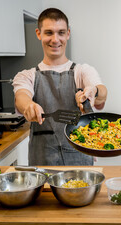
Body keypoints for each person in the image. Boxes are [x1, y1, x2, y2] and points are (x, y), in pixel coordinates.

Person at [13, 8, 107, 166]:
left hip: (80, 162)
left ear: (68, 34)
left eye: (61, 32)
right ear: (38, 34)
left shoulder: (82, 71)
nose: (55, 39)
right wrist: (28, 105)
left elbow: (102, 92)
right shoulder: (27, 76)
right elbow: (21, 96)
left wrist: (93, 91)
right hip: (42, 164)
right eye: (49, 33)